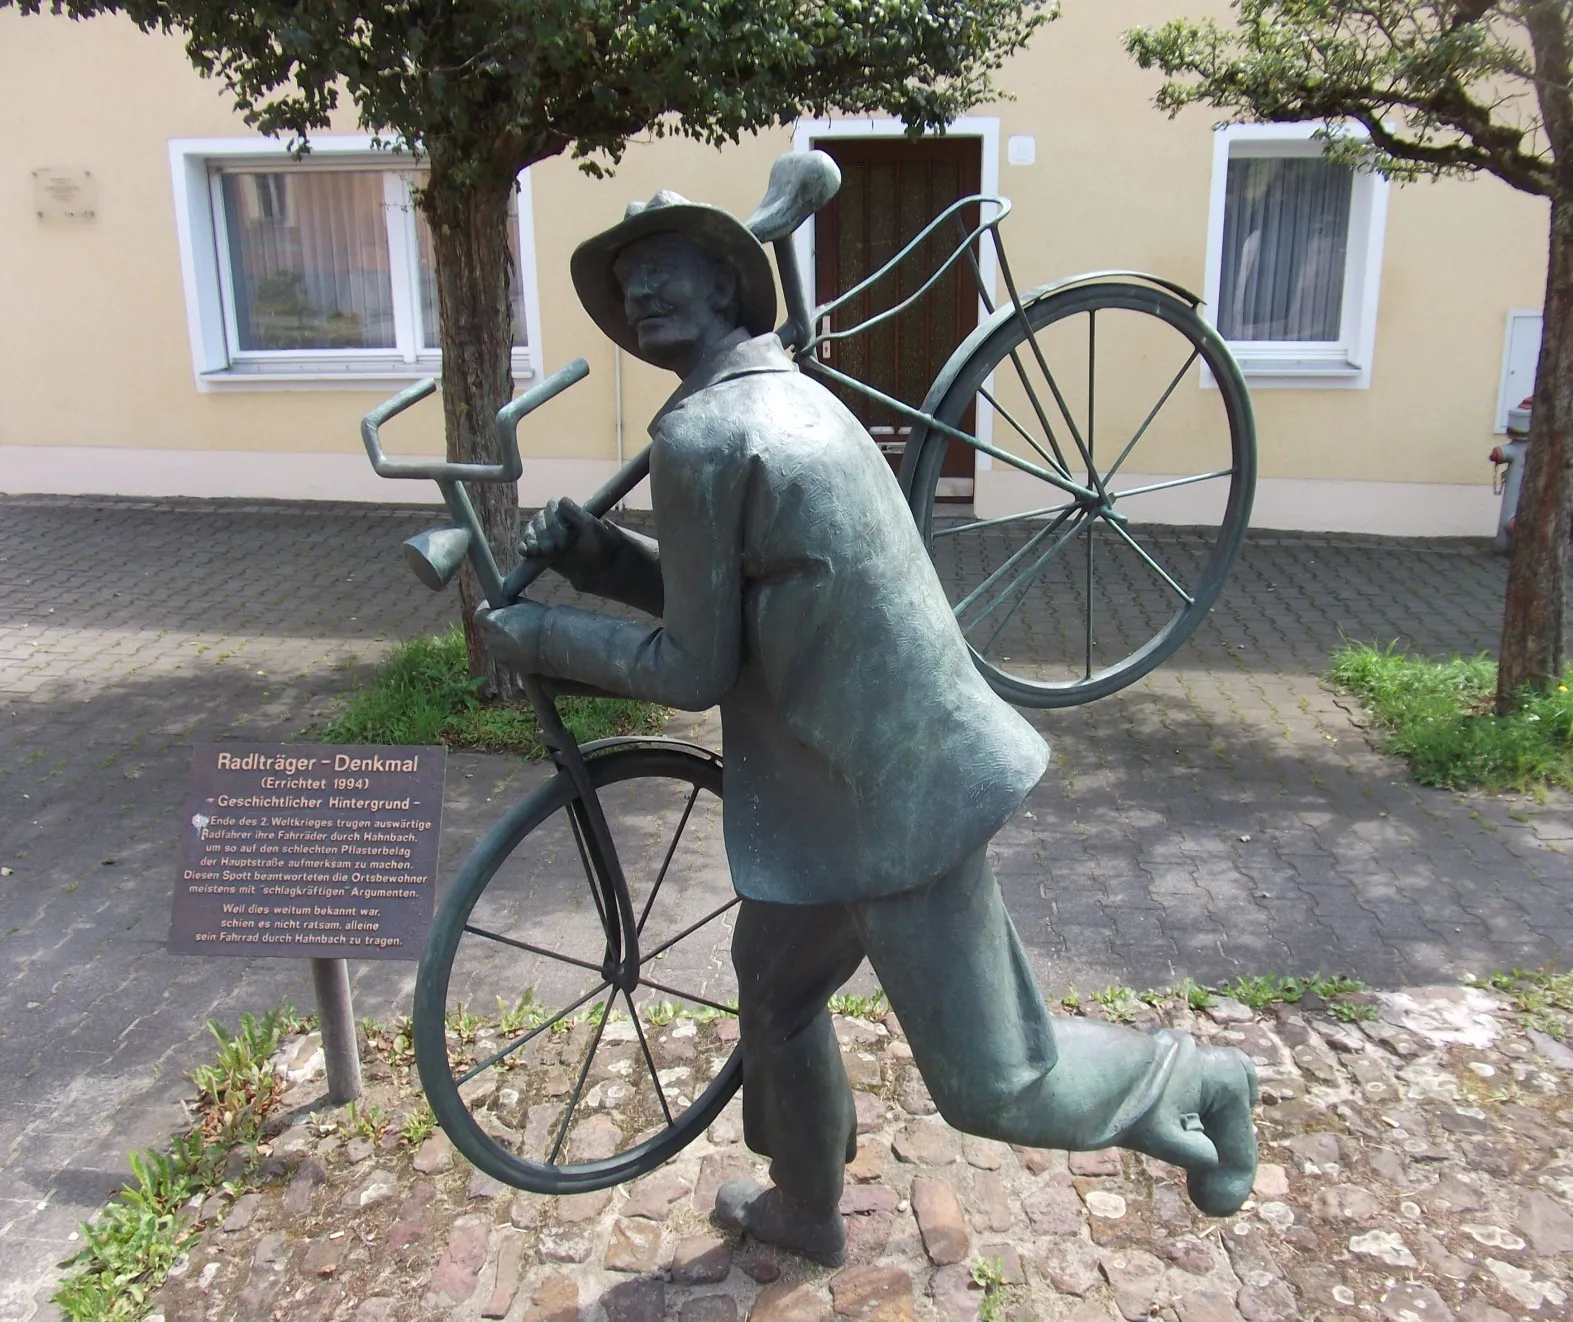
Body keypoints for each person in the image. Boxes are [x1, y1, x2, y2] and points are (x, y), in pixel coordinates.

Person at [477, 188, 1258, 1268]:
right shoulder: (781, 395)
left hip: (894, 798)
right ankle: (805, 1205)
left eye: (663, 265)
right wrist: (605, 562)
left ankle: (1201, 1077)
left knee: (997, 1080)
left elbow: (696, 670)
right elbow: (746, 609)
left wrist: (535, 635)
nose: (640, 289)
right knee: (779, 995)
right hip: (836, 793)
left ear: (722, 282)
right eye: (624, 280)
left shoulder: (704, 433)